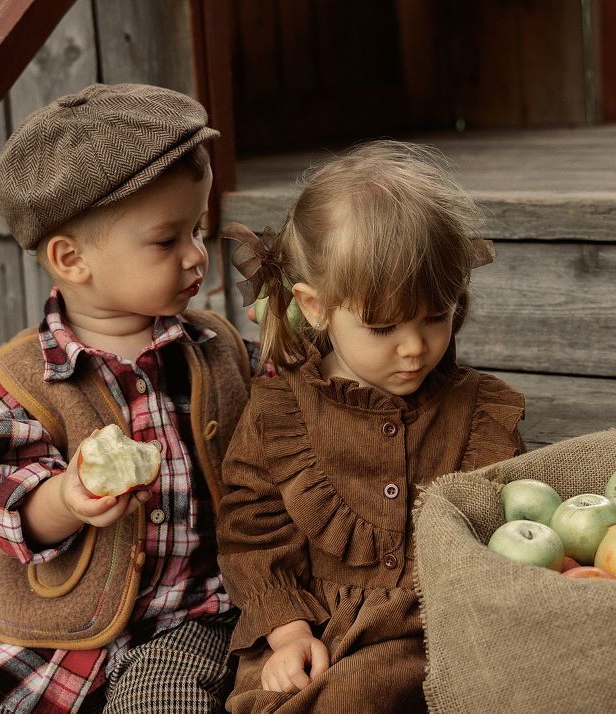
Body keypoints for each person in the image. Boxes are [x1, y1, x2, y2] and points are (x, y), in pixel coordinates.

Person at [0, 83, 257, 713]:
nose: (196, 256)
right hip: (58, 635)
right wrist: (66, 498)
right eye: (167, 240)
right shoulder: (24, 380)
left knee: (162, 704)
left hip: (190, 617)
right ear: (71, 259)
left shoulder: (217, 349)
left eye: (197, 230)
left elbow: (293, 406)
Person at [216, 140, 528, 713]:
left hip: (437, 629)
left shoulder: (479, 412)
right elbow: (253, 533)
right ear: (315, 306)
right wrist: (287, 633)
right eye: (383, 328)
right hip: (317, 629)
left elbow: (510, 520)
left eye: (435, 317)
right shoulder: (282, 413)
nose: (414, 348)